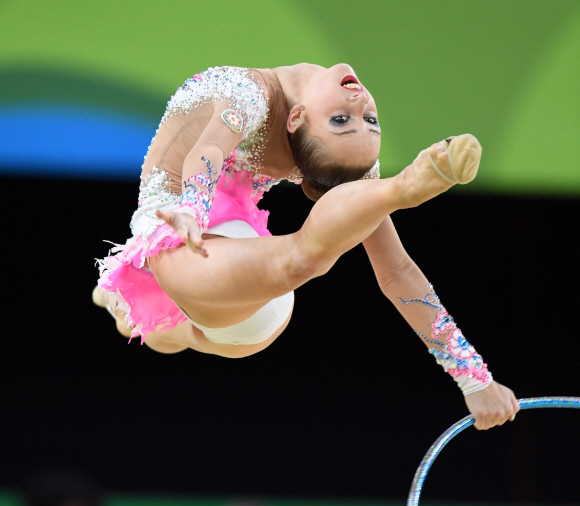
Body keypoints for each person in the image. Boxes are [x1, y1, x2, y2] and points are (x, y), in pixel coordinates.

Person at [94, 63, 519, 430]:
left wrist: (474, 378)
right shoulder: (252, 92)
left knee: (200, 332)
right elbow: (207, 149)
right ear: (294, 118)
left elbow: (397, 272)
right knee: (299, 262)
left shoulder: (323, 134)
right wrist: (192, 207)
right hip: (177, 230)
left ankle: (128, 309)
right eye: (363, 120)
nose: (360, 107)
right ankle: (402, 188)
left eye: (349, 121)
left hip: (245, 283)